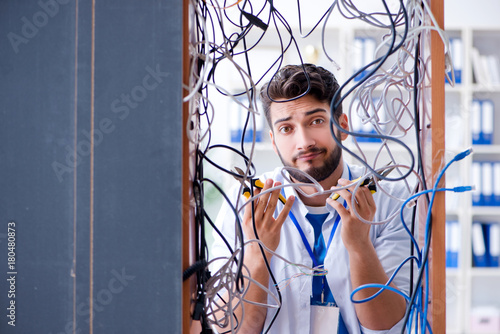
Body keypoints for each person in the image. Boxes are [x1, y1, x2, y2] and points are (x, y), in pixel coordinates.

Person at [210, 64, 414, 334]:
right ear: (273, 141)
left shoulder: (391, 200)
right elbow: (230, 330)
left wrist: (359, 245)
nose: (303, 141)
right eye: (286, 129)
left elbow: (386, 324)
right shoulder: (245, 203)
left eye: (316, 121)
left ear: (342, 126)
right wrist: (257, 254)